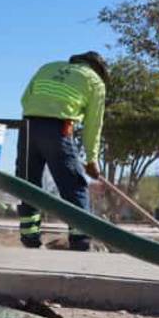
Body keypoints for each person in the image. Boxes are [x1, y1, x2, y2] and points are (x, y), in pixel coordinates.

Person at [16, 52, 109, 251]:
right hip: (58, 130)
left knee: (27, 184)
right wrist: (92, 159)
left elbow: (25, 98)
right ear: (98, 70)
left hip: (28, 126)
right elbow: (94, 125)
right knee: (74, 184)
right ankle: (80, 241)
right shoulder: (95, 82)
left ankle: (29, 238)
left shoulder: (48, 67)